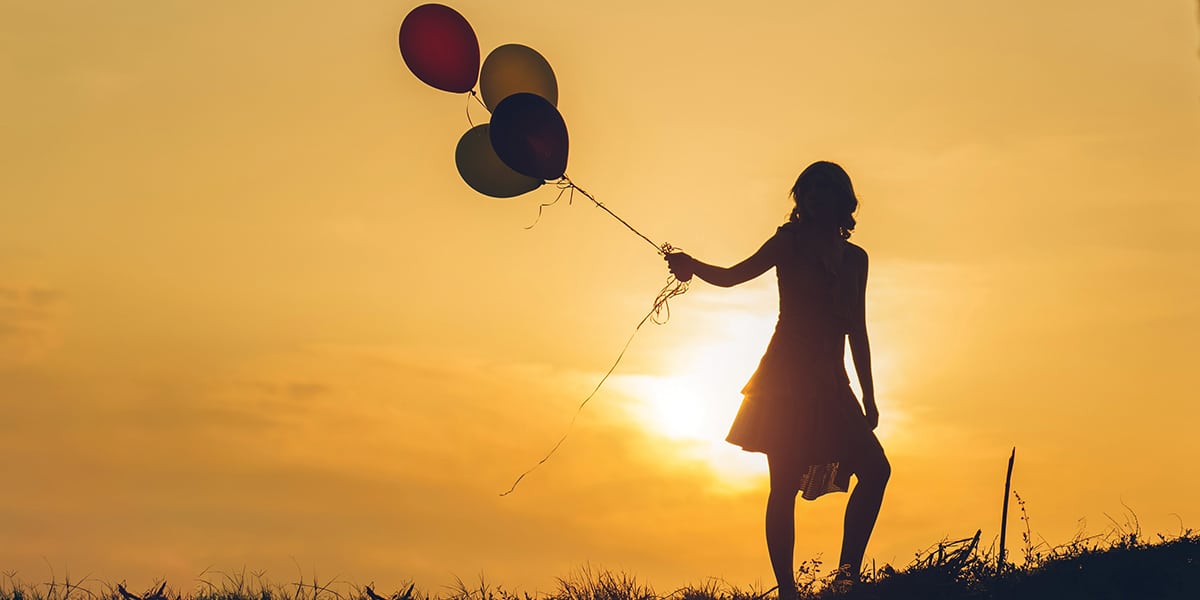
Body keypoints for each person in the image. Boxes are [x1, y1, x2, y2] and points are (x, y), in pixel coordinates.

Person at [665, 161, 890, 597]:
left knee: (876, 470)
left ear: (841, 202)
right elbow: (733, 277)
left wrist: (869, 395)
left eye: (823, 193)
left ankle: (847, 578)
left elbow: (857, 328)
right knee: (783, 485)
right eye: (807, 194)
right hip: (785, 380)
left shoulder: (856, 259)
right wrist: (692, 265)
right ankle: (787, 589)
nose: (813, 201)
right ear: (800, 201)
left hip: (832, 384)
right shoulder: (788, 243)